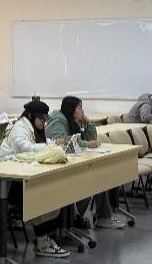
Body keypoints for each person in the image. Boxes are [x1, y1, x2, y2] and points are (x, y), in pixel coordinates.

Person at [0, 101, 71, 257]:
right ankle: (43, 242)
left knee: (56, 190)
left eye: (44, 119)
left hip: (25, 176)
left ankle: (45, 239)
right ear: (31, 116)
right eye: (41, 119)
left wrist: (55, 143)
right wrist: (51, 147)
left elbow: (42, 144)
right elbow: (27, 148)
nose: (43, 122)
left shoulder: (35, 128)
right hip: (11, 182)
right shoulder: (20, 128)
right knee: (42, 194)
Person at [47, 97, 124, 231]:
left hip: (72, 163)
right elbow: (63, 144)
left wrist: (88, 123)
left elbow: (90, 139)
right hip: (57, 168)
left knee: (97, 178)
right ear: (71, 109)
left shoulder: (71, 121)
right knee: (92, 181)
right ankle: (78, 218)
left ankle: (90, 218)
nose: (82, 111)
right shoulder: (58, 122)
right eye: (79, 108)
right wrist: (87, 144)